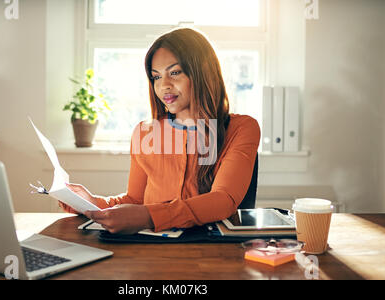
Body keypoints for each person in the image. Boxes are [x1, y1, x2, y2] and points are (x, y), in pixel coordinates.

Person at [60, 28, 260, 235]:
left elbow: (223, 200)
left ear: (203, 72)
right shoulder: (144, 132)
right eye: (156, 77)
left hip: (208, 250)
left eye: (174, 73)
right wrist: (93, 203)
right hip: (150, 249)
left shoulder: (242, 128)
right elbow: (135, 201)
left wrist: (149, 216)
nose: (163, 85)